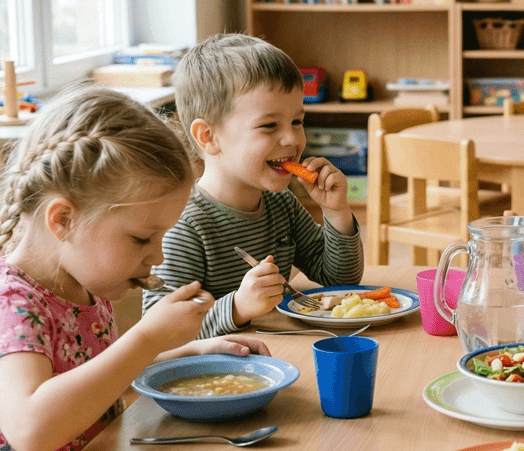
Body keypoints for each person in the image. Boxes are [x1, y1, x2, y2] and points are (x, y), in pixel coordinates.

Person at [0, 85, 268, 451]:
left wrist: (185, 354)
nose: (158, 256)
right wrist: (145, 340)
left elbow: (88, 378)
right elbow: (32, 428)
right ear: (63, 220)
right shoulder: (6, 304)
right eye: (142, 238)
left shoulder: (81, 282)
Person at [146, 33, 362, 338]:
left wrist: (337, 213)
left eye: (297, 122)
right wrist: (236, 308)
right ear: (208, 136)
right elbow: (158, 333)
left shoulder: (280, 204)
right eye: (269, 125)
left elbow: (340, 279)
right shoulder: (185, 225)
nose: (292, 139)